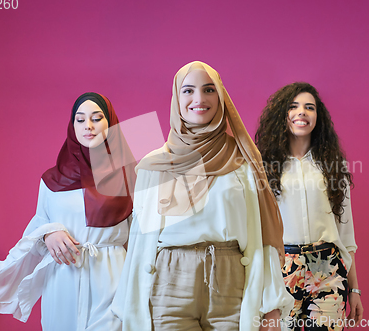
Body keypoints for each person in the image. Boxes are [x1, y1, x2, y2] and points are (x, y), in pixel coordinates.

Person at [111, 61, 293, 331]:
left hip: (231, 279)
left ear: (220, 98)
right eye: (188, 91)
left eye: (209, 90)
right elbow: (140, 239)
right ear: (176, 98)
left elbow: (262, 234)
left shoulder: (243, 161)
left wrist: (271, 303)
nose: (199, 99)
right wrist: (128, 304)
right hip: (169, 282)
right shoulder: (154, 164)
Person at [0, 92, 134, 331]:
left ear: (110, 124)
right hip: (63, 278)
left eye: (97, 118)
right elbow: (39, 226)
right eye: (80, 120)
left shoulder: (130, 174)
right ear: (72, 126)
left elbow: (141, 233)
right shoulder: (51, 180)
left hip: (113, 275)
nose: (88, 126)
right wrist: (49, 233)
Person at [255, 82, 364, 330]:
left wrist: (354, 288)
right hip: (281, 269)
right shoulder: (264, 168)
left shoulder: (334, 167)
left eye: (309, 107)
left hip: (328, 269)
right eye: (293, 107)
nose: (302, 112)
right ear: (282, 116)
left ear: (318, 117)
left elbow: (346, 235)